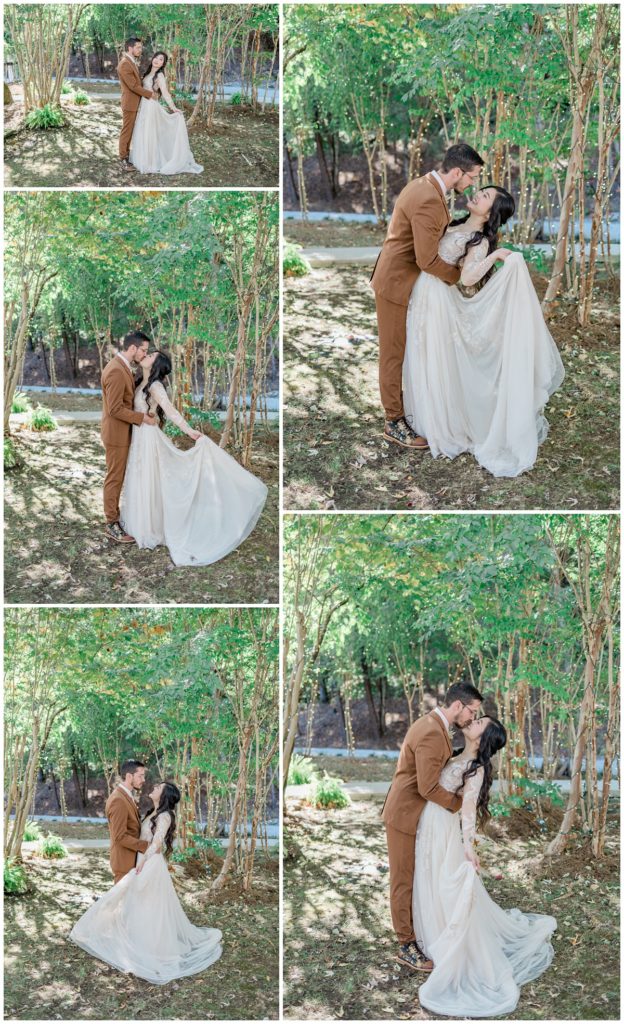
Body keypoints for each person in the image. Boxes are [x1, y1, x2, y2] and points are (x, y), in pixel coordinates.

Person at [403, 184, 565, 477]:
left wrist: (494, 255)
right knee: (420, 352)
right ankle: (425, 417)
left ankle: (444, 425)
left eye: (486, 196)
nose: (478, 194)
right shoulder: (454, 223)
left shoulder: (478, 241)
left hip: (439, 301)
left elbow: (466, 279)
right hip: (422, 293)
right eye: (482, 190)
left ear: (491, 212)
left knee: (433, 356)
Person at [413, 715, 557, 1016]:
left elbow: (467, 811)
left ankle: (448, 942)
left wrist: (468, 847)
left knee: (445, 883)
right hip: (430, 825)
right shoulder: (454, 755)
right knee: (428, 878)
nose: (472, 721)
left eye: (479, 722)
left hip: (445, 831)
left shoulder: (474, 770)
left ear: (483, 737)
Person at [370, 143, 484, 449]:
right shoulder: (428, 199)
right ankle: (394, 421)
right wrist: (459, 278)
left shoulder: (426, 184)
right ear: (457, 172)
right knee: (393, 353)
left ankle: (409, 408)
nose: (473, 183)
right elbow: (427, 260)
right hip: (395, 283)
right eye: (472, 177)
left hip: (402, 279)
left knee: (403, 349)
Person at [70, 773, 223, 984]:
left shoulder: (165, 816)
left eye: (159, 787)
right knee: (139, 902)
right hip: (143, 861)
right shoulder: (154, 812)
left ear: (165, 795)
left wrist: (142, 862)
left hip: (149, 864)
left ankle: (152, 947)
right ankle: (137, 940)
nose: (154, 787)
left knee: (148, 904)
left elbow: (157, 843)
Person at [121, 350, 267, 566]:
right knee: (141, 477)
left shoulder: (155, 386)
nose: (146, 355)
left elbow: (170, 411)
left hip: (148, 439)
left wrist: (189, 431)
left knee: (150, 477)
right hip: (139, 437)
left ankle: (152, 526)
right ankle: (142, 522)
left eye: (151, 355)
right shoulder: (140, 382)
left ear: (156, 364)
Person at [101, 331, 155, 544]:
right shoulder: (115, 370)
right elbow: (114, 409)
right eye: (143, 349)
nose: (144, 353)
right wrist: (142, 418)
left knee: (118, 476)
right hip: (116, 433)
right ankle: (112, 523)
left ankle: (115, 518)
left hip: (123, 432)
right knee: (114, 477)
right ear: (132, 348)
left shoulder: (122, 366)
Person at [129, 51, 203, 175]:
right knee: (143, 131)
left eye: (161, 59)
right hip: (144, 106)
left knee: (150, 133)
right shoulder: (148, 73)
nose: (157, 60)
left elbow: (165, 92)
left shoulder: (160, 76)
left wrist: (173, 107)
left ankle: (151, 162)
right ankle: (144, 159)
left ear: (163, 63)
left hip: (151, 107)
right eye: (156, 58)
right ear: (152, 59)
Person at [117, 38, 155, 172]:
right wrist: (150, 94)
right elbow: (133, 86)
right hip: (129, 103)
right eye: (138, 47)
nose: (140, 50)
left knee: (130, 130)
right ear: (130, 48)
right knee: (127, 131)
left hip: (135, 102)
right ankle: (123, 159)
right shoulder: (124, 64)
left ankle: (127, 155)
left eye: (140, 47)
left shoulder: (131, 62)